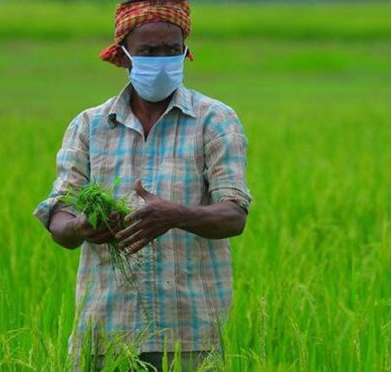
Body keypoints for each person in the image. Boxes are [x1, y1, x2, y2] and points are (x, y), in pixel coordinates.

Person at [32, 1, 252, 370]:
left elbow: (234, 215)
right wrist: (81, 227)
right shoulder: (90, 126)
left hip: (189, 335)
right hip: (105, 333)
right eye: (149, 52)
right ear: (124, 55)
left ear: (185, 50)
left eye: (171, 50)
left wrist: (176, 215)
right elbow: (59, 213)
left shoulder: (215, 121)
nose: (162, 61)